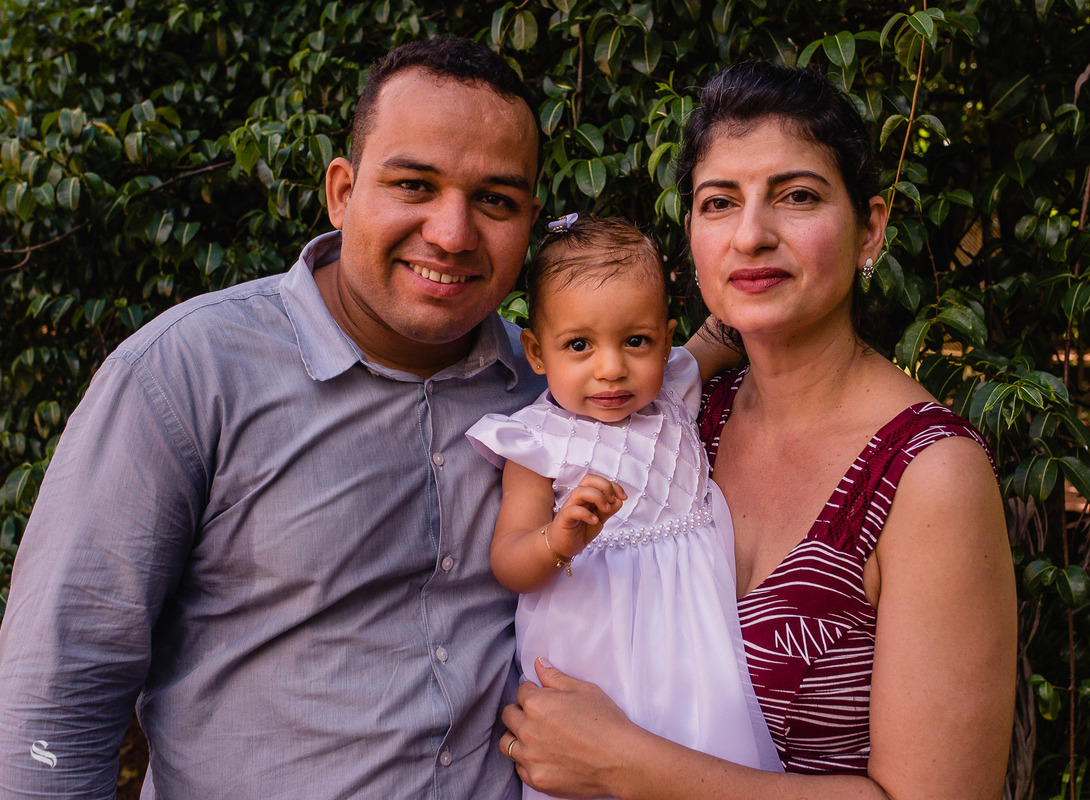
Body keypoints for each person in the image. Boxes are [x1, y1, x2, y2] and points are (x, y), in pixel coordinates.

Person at [0, 38, 543, 799]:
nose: (452, 233)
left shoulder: (547, 389)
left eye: (495, 199)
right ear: (342, 191)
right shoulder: (187, 374)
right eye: (415, 184)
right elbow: (56, 690)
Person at [496, 62, 1018, 800]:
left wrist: (629, 766)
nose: (750, 235)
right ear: (692, 239)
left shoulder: (930, 476)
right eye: (719, 203)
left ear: (870, 227)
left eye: (796, 196)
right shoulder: (672, 415)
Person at [465, 214, 781, 799]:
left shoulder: (672, 391)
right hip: (592, 640)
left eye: (635, 341)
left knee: (699, 761)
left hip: (695, 641)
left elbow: (715, 338)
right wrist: (557, 539)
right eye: (579, 345)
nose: (611, 368)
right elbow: (509, 560)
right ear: (536, 351)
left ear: (664, 337)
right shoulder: (535, 443)